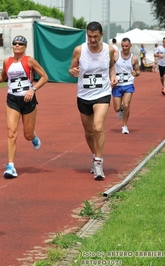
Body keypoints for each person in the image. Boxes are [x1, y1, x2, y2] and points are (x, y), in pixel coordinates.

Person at [0, 35, 48, 179]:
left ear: (25, 47)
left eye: (20, 44)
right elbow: (3, 77)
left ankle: (33, 137)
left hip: (28, 99)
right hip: (12, 100)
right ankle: (11, 166)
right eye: (15, 44)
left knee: (27, 135)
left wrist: (32, 90)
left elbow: (44, 77)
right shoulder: (7, 62)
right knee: (11, 132)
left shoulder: (29, 61)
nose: (17, 46)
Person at [69, 21, 118, 180]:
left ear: (101, 35)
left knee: (98, 127)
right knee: (89, 132)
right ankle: (95, 155)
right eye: (89, 36)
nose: (92, 40)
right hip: (84, 95)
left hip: (102, 93)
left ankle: (98, 162)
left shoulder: (108, 50)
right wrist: (73, 71)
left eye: (95, 36)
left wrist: (113, 76)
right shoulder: (79, 50)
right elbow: (71, 69)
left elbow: (111, 66)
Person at [112, 37, 140, 134]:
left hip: (128, 84)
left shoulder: (134, 58)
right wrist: (111, 77)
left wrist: (135, 73)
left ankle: (124, 126)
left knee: (127, 104)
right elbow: (110, 67)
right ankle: (121, 108)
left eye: (126, 46)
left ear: (130, 46)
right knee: (117, 108)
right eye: (123, 46)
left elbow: (138, 72)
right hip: (117, 85)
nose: (124, 48)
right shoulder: (116, 55)